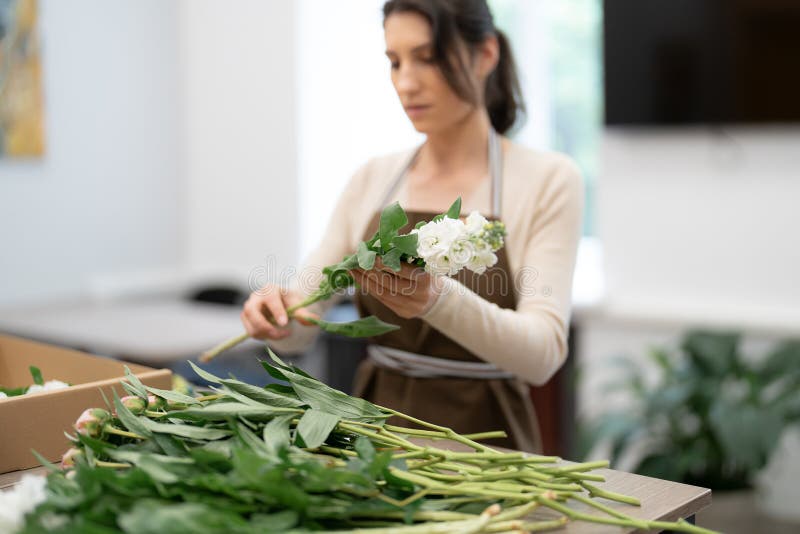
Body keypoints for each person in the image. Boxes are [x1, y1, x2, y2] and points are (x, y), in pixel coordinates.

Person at [240, 0, 583, 452]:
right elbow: (305, 318)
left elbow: (542, 356)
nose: (406, 83)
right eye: (395, 61)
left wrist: (436, 299)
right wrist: (277, 317)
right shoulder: (372, 178)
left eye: (428, 58)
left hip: (488, 449)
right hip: (375, 438)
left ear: (485, 54)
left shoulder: (548, 180)